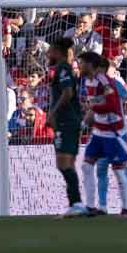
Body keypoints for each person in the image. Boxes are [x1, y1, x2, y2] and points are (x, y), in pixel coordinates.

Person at [78, 50, 127, 217]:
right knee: (87, 166)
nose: (79, 66)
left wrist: (92, 107)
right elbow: (94, 108)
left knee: (118, 169)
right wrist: (82, 124)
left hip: (113, 131)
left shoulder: (106, 82)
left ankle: (125, 208)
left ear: (90, 65)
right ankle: (91, 206)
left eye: (82, 63)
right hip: (99, 131)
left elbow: (111, 106)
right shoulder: (87, 81)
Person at [46, 37, 86, 217]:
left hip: (66, 122)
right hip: (69, 121)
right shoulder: (64, 68)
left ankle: (76, 203)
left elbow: (68, 92)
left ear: (57, 52)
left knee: (63, 163)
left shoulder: (63, 68)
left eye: (50, 50)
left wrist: (52, 112)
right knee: (66, 163)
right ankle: (75, 203)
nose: (48, 54)